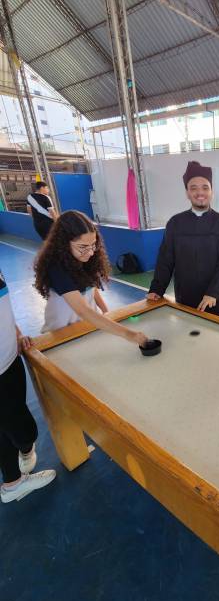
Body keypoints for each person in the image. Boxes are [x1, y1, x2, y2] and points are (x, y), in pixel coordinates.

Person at [34, 210, 148, 345]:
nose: (90, 252)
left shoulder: (85, 258)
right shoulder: (56, 266)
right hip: (61, 333)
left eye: (93, 245)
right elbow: (82, 310)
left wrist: (105, 311)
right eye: (83, 247)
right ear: (64, 243)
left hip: (86, 326)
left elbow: (90, 288)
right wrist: (129, 334)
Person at [148, 161, 219, 319]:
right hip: (185, 296)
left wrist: (213, 292)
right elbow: (165, 259)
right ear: (187, 193)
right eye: (193, 188)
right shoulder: (175, 223)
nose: (200, 192)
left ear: (212, 192)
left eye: (205, 187)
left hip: (215, 299)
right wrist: (156, 289)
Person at [1, 268, 56, 503]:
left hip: (9, 357)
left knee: (5, 427)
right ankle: (25, 448)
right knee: (23, 428)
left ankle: (12, 482)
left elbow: (3, 309)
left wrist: (16, 333)